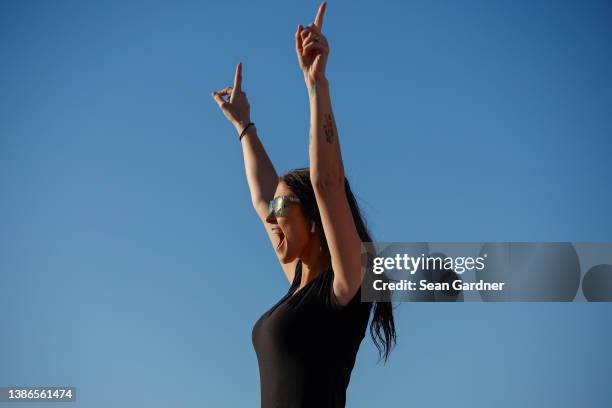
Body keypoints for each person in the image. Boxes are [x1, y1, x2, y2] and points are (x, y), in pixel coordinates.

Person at [211, 2, 396, 407]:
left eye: (282, 210)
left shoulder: (345, 286)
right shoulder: (298, 282)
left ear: (314, 218)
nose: (270, 219)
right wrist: (244, 126)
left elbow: (328, 183)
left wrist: (317, 85)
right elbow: (264, 196)